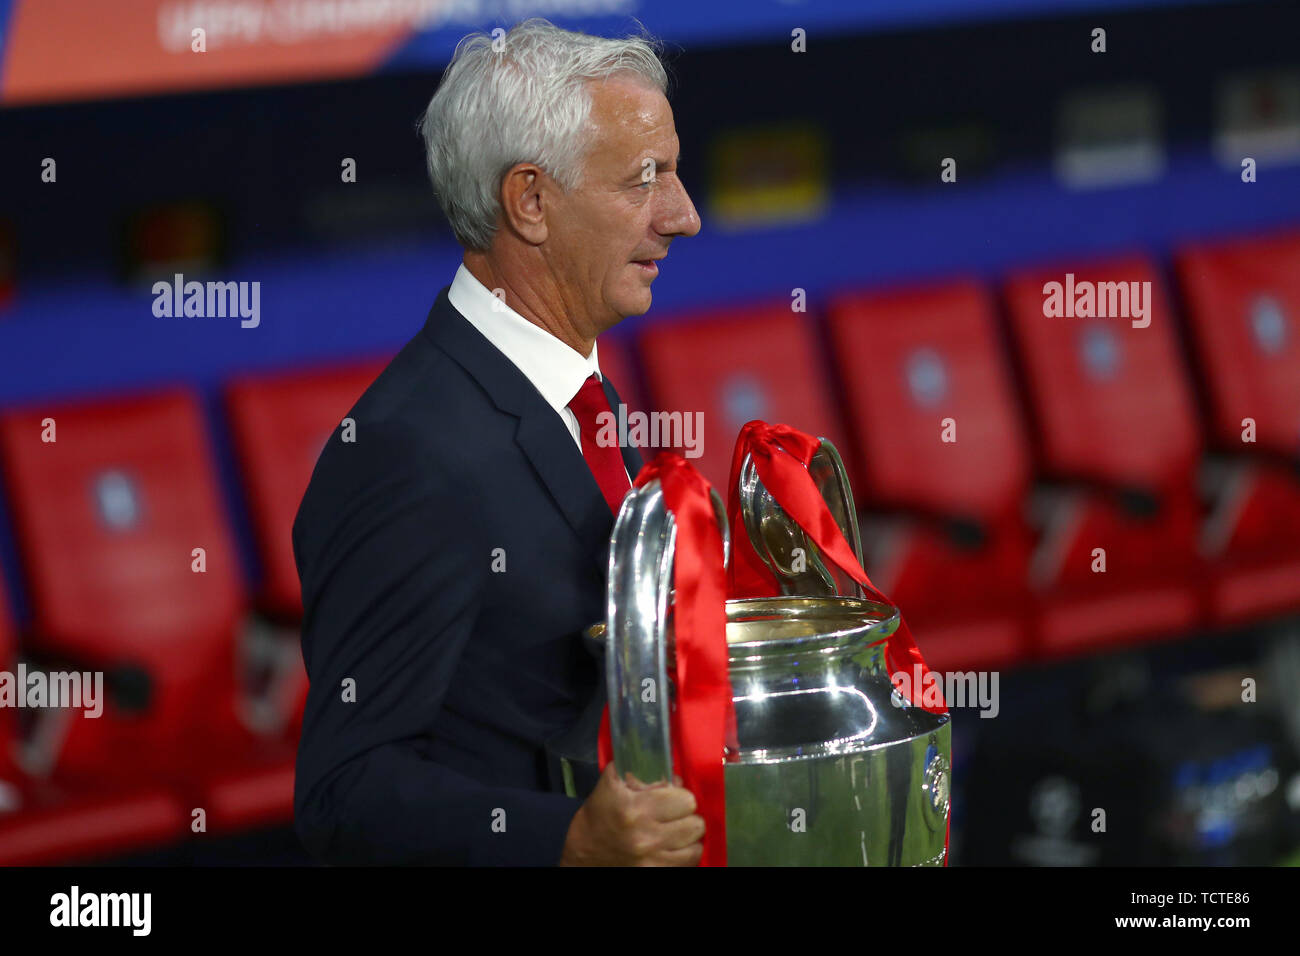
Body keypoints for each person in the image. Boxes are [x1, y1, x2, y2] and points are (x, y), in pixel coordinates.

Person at [292, 18, 704, 865]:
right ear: (530, 202)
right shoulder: (407, 450)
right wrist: (569, 841)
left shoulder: (578, 393)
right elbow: (344, 790)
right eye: (644, 180)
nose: (684, 216)